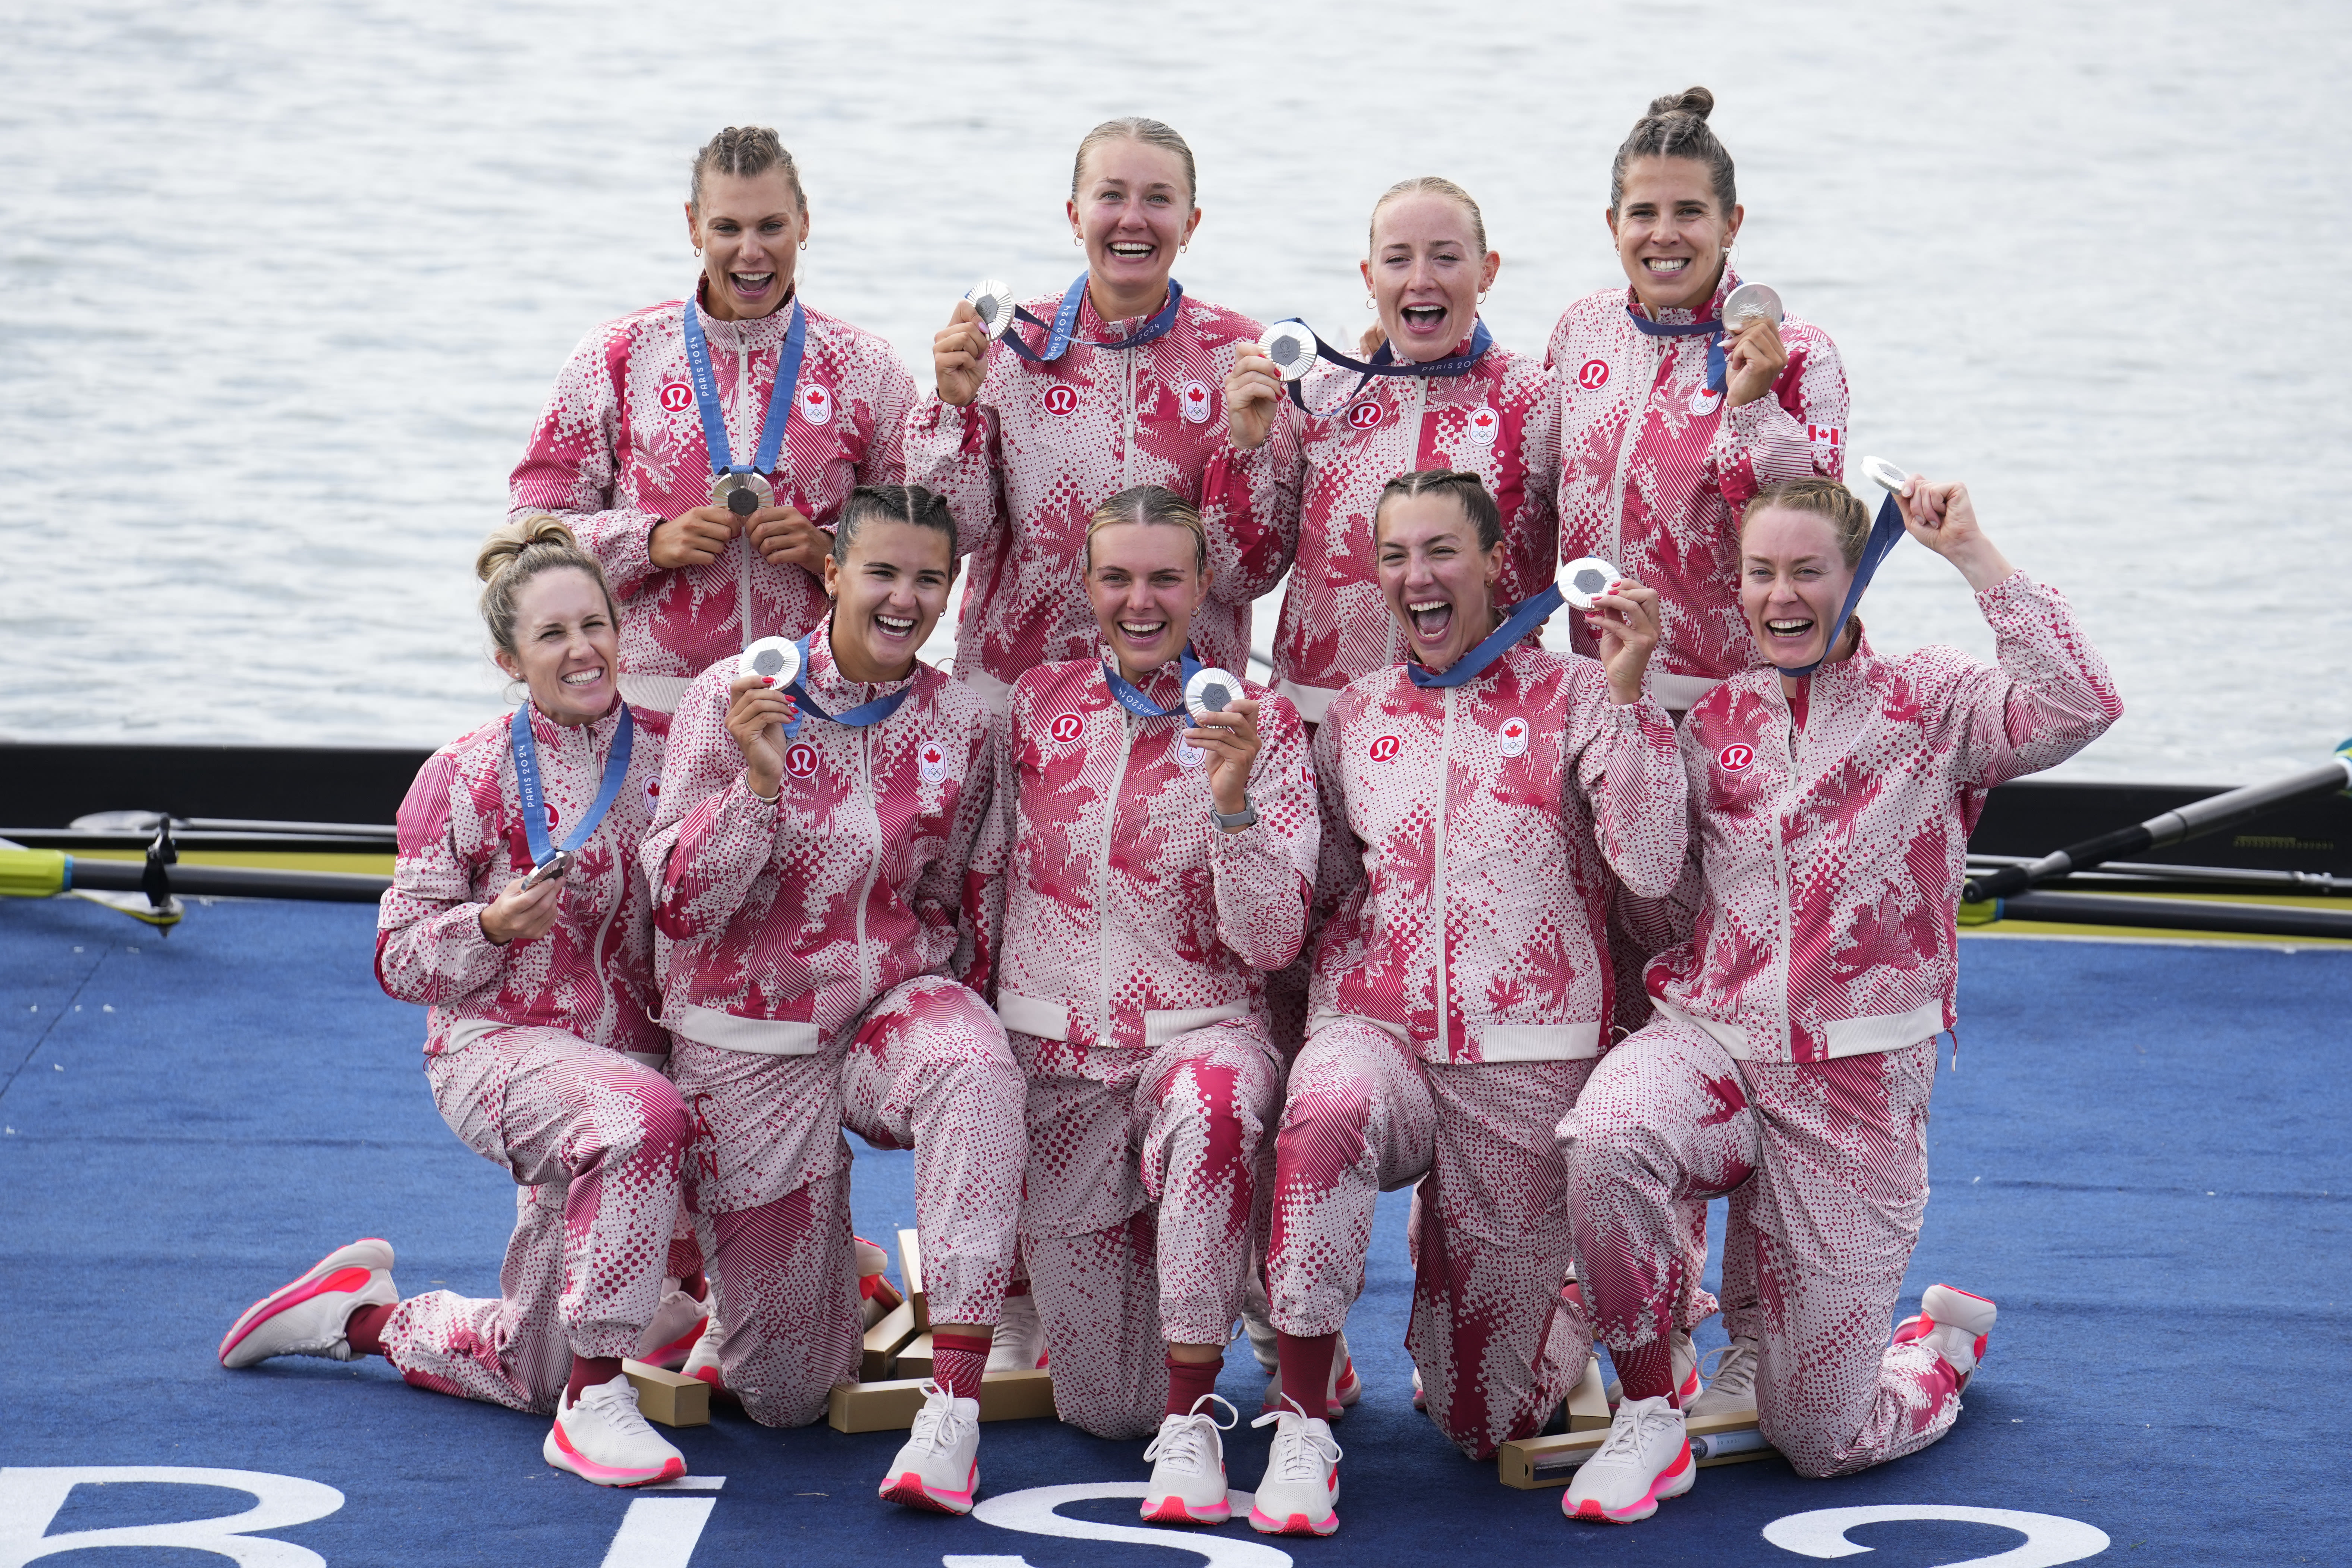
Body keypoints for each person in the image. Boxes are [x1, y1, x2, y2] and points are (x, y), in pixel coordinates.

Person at [1560, 474, 2121, 1523]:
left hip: (1854, 1079)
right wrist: (1627, 698)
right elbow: (1647, 872)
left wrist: (1973, 556)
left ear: (1852, 574)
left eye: (1806, 570)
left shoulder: (1932, 699)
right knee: (1606, 1133)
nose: (1781, 595)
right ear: (1736, 586)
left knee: (1818, 1440)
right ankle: (1648, 1407)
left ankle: (1933, 1353)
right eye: (1761, 572)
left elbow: (2078, 705)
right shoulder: (1716, 715)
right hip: (1710, 1044)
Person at [1253, 470, 1687, 1536]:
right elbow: (1321, 896)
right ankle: (1300, 1421)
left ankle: (1587, 1294)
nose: (1417, 576)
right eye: (1395, 555)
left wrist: (1629, 694)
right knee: (1325, 1108)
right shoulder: (1354, 713)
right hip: (1377, 1032)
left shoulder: (1581, 694)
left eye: (1441, 550)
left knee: (1480, 1420)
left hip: (1524, 1057)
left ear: (1498, 562)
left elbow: (1651, 863)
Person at [217, 516, 693, 1488]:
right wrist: (490, 928)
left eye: (595, 624)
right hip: (499, 1049)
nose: (582, 648)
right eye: (552, 634)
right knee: (636, 1114)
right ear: (508, 658)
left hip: (632, 1073)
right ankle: (597, 1402)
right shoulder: (465, 772)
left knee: (530, 1367)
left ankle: (359, 1313)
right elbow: (397, 956)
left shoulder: (674, 753)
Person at [1551, 86, 1855, 1410]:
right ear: (1611, 224)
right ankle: (1624, 1299)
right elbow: (1525, 519)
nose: (1663, 235)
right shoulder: (1572, 333)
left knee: (1727, 1004)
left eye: (1688, 214)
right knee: (1612, 1000)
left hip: (1731, 728)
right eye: (1642, 214)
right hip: (1590, 705)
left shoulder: (1802, 353)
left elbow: (1813, 524)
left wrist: (1746, 407)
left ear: (1731, 223)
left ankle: (1756, 1314)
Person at [640, 484, 1024, 1516]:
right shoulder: (732, 694)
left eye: (927, 579)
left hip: (889, 1010)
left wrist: (970, 1026)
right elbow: (675, 906)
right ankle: (827, 1263)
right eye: (882, 572)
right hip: (749, 1032)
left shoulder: (963, 719)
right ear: (832, 574)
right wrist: (756, 787)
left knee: (975, 1065)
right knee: (782, 1397)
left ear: (950, 589)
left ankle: (951, 1407)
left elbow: (964, 892)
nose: (903, 598)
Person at [976, 485, 1317, 1524]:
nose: (1140, 600)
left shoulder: (1261, 720)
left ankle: (1196, 1418)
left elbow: (1270, 941)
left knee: (1214, 1107)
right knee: (1103, 1410)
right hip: (1061, 1068)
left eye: (1165, 577)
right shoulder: (1034, 701)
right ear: (1084, 586)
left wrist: (1233, 803)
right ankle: (1199, 1332)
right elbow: (986, 875)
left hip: (1198, 1041)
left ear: (1202, 585)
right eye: (1117, 577)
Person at [512, 126, 916, 708]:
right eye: (727, 227)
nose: (750, 251)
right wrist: (650, 541)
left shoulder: (867, 369)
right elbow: (529, 529)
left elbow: (926, 547)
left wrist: (828, 550)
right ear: (693, 226)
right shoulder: (618, 356)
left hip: (820, 697)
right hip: (652, 702)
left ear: (804, 224)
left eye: (771, 226)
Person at [907, 116, 1299, 716]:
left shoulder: (1241, 357)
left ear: (1191, 224)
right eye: (1111, 195)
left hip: (1181, 712)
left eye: (1159, 199)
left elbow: (1247, 577)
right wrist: (952, 408)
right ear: (1074, 216)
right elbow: (949, 537)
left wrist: (1246, 451)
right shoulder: (1009, 349)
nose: (1133, 219)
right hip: (1018, 697)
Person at [1217, 176, 1557, 726]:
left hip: (1482, 730)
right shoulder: (1320, 393)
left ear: (1488, 271)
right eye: (1398, 260)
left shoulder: (1537, 398)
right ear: (1369, 277)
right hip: (1319, 721)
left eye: (1446, 258)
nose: (1421, 280)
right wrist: (1246, 447)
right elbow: (1239, 577)